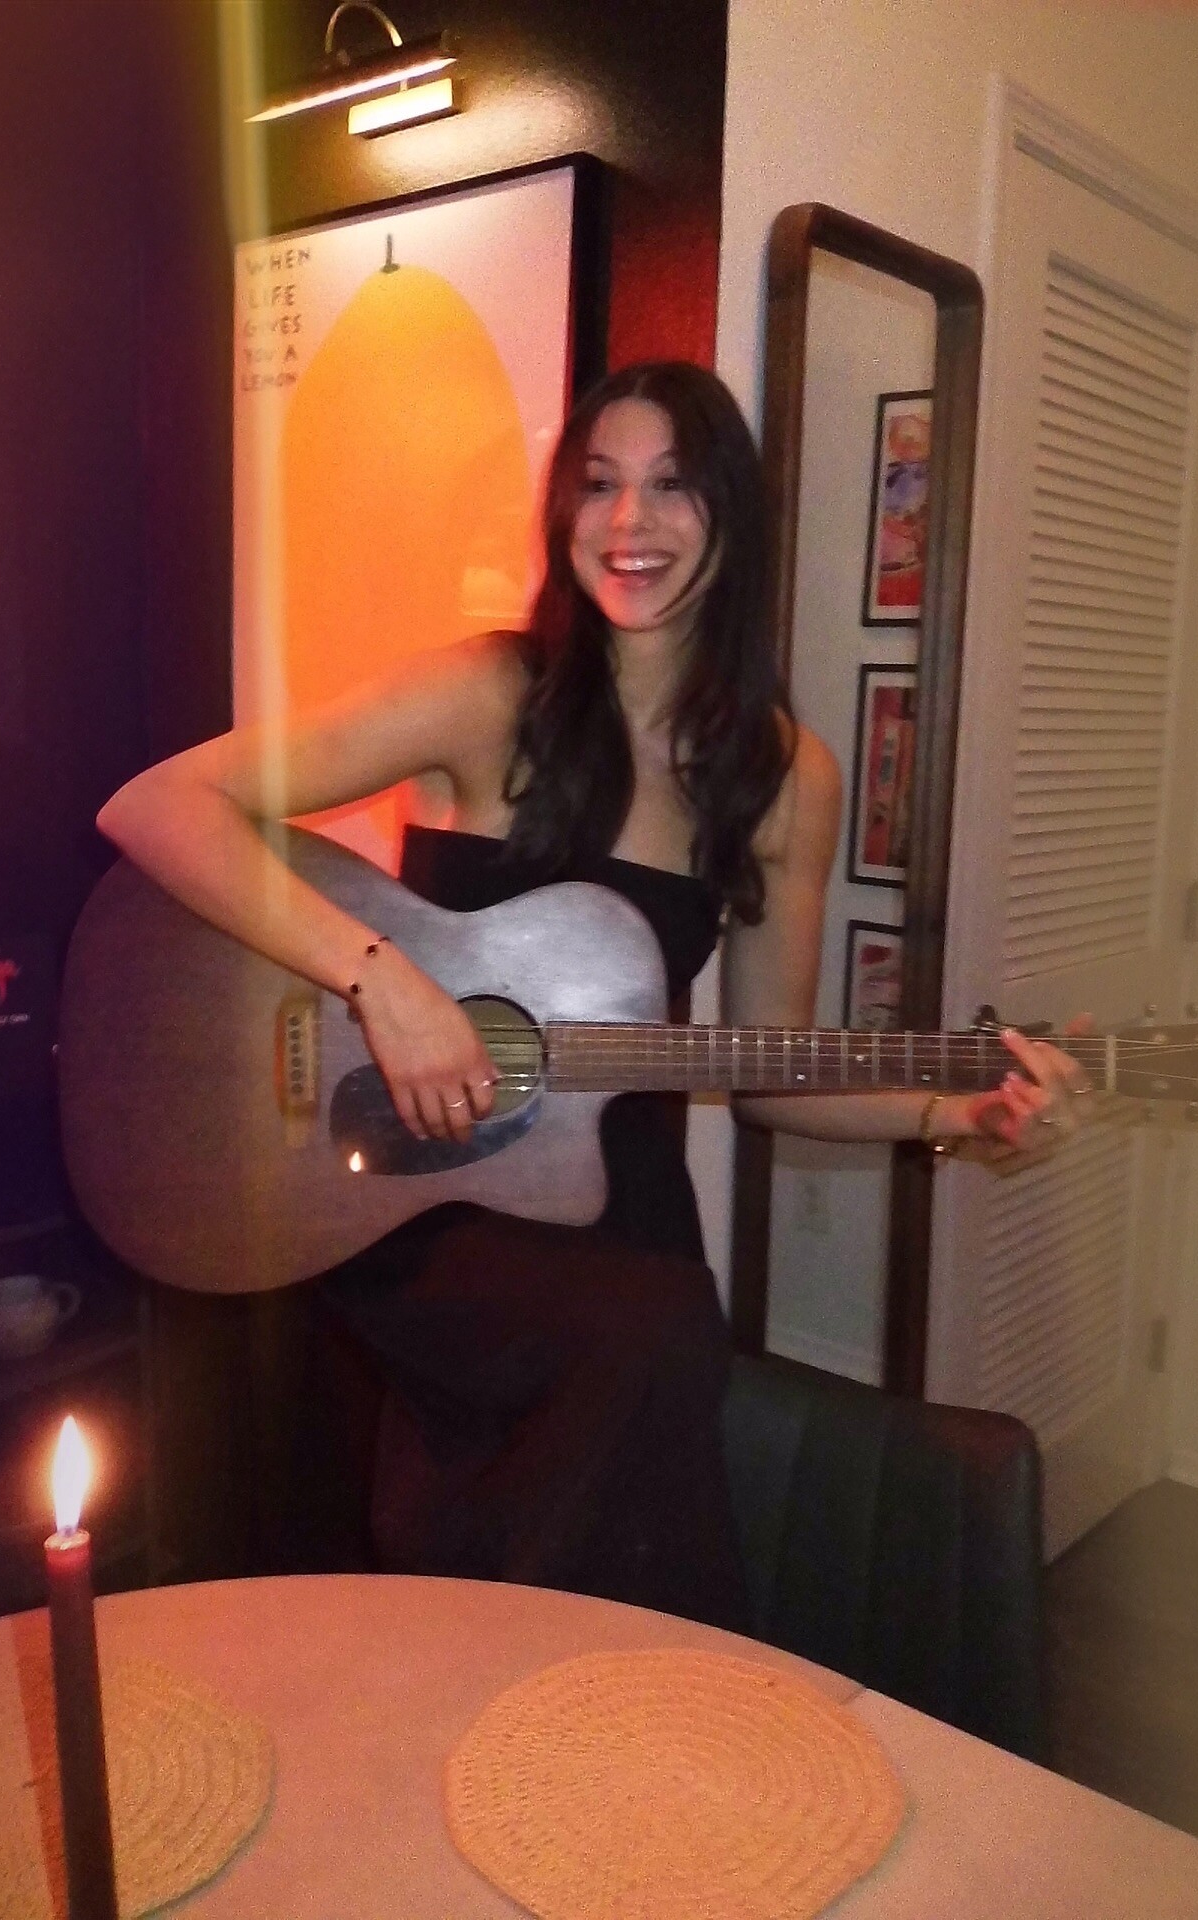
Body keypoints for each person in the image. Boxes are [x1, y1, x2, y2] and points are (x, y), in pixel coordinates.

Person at [98, 361, 1091, 1630]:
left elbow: (772, 1074)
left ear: (730, 512)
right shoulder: (484, 694)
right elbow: (157, 806)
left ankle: (577, 1709)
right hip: (411, 1196)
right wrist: (380, 978)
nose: (629, 523)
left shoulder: (787, 777)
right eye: (599, 485)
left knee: (653, 1362)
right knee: (652, 1342)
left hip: (620, 1216)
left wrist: (960, 1113)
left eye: (671, 485)